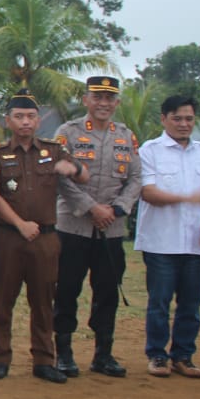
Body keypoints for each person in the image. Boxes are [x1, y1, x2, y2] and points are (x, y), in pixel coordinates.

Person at [0, 89, 87, 383]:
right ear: (7, 121)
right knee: (2, 300)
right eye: (18, 117)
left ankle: (44, 360)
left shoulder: (54, 151)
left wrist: (74, 167)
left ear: (39, 120)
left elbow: (84, 177)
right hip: (8, 237)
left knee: (43, 302)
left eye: (30, 117)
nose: (25, 123)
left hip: (45, 239)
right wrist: (19, 224)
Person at [52, 75, 143, 378]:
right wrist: (91, 208)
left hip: (112, 229)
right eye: (98, 97)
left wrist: (118, 209)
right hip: (73, 226)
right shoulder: (68, 132)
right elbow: (60, 176)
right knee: (66, 290)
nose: (104, 104)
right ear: (86, 100)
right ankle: (63, 353)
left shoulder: (126, 135)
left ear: (117, 103)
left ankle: (103, 354)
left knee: (107, 292)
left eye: (110, 99)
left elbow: (135, 179)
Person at [134, 95, 200, 378]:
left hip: (197, 244)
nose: (184, 124)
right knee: (159, 303)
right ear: (163, 119)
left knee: (191, 304)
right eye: (177, 118)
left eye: (189, 118)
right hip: (161, 241)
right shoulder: (150, 150)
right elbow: (147, 192)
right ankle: (158, 355)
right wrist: (186, 197)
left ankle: (184, 355)